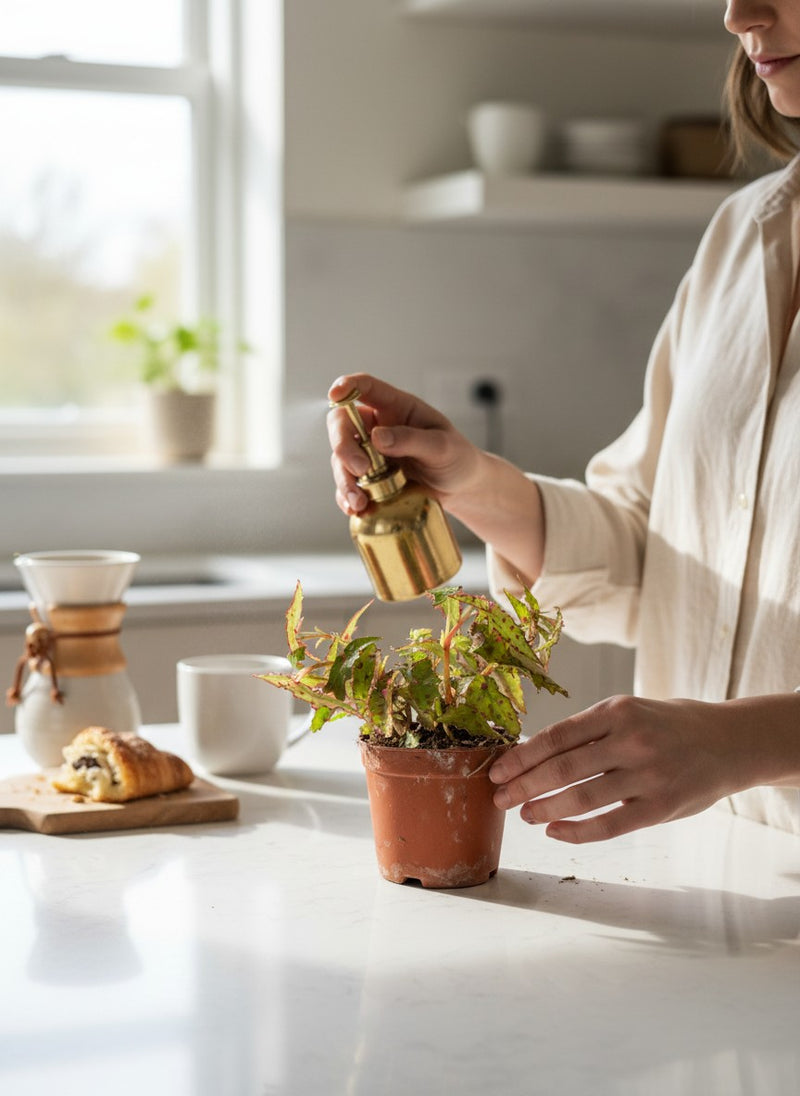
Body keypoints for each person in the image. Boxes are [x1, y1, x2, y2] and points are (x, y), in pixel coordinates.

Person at [327, 0, 800, 844]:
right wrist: (467, 479)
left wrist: (745, 742)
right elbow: (652, 556)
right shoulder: (745, 234)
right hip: (714, 876)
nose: (739, 15)